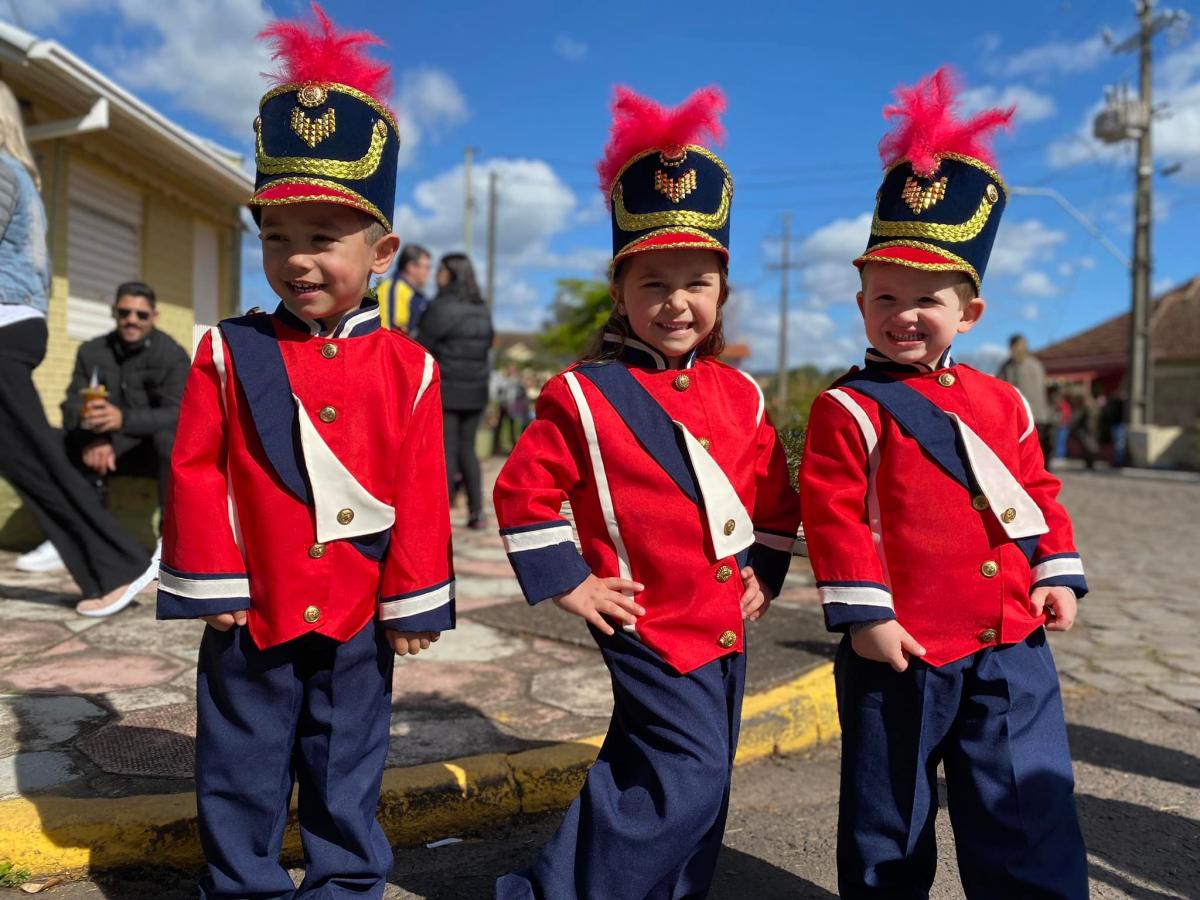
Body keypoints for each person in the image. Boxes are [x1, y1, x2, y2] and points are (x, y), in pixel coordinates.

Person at [154, 8, 454, 896]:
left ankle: (346, 883)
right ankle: (242, 884)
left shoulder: (412, 366)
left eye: (323, 237)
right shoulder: (225, 349)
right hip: (253, 610)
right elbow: (196, 472)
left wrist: (413, 602)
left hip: (361, 610)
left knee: (348, 766)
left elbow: (422, 490)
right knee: (240, 769)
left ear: (383, 250)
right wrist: (215, 583)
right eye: (276, 237)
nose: (297, 260)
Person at [493, 86, 800, 900]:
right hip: (647, 618)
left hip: (726, 619)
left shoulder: (744, 395)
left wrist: (765, 573)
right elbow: (524, 494)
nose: (676, 301)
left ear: (720, 293)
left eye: (696, 282)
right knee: (686, 776)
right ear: (620, 293)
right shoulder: (583, 393)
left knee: (675, 771)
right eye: (653, 281)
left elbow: (774, 498)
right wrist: (572, 582)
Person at [799, 68, 1089, 900]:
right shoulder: (848, 407)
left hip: (1010, 642)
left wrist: (1053, 567)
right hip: (905, 647)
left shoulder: (1003, 401)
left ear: (971, 313)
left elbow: (1033, 489)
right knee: (890, 815)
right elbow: (834, 516)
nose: (905, 314)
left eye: (929, 298)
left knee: (1025, 808)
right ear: (860, 304)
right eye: (885, 295)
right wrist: (866, 618)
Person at [0, 78, 157, 613]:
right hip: (16, 324)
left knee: (36, 460)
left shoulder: (2, 170)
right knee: (24, 460)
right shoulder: (21, 175)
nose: (130, 319)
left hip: (4, 328)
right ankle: (113, 564)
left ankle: (118, 565)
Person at [418, 253, 493, 529]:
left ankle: (443, 511)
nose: (436, 275)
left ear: (450, 273)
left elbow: (421, 346)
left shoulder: (441, 306)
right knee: (468, 449)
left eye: (440, 270)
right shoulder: (480, 308)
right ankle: (477, 512)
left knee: (446, 449)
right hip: (476, 390)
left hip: (448, 387)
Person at [996, 332, 1054, 462]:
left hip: (1028, 416)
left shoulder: (1012, 366)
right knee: (1032, 455)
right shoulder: (1032, 364)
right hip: (1031, 416)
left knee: (1031, 455)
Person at [375, 242, 431, 334]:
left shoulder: (412, 291)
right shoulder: (394, 289)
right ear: (411, 267)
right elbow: (394, 332)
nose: (429, 272)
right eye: (426, 267)